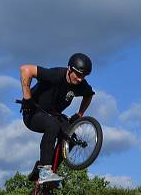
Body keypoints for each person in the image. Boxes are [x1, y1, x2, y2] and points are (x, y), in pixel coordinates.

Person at [19, 53, 95, 184]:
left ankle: (48, 172)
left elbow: (89, 95)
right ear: (69, 69)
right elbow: (26, 69)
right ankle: (44, 171)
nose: (80, 79)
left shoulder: (81, 84)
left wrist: (80, 114)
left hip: (53, 115)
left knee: (70, 139)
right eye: (77, 75)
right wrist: (27, 99)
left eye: (83, 76)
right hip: (32, 113)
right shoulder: (55, 75)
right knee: (52, 125)